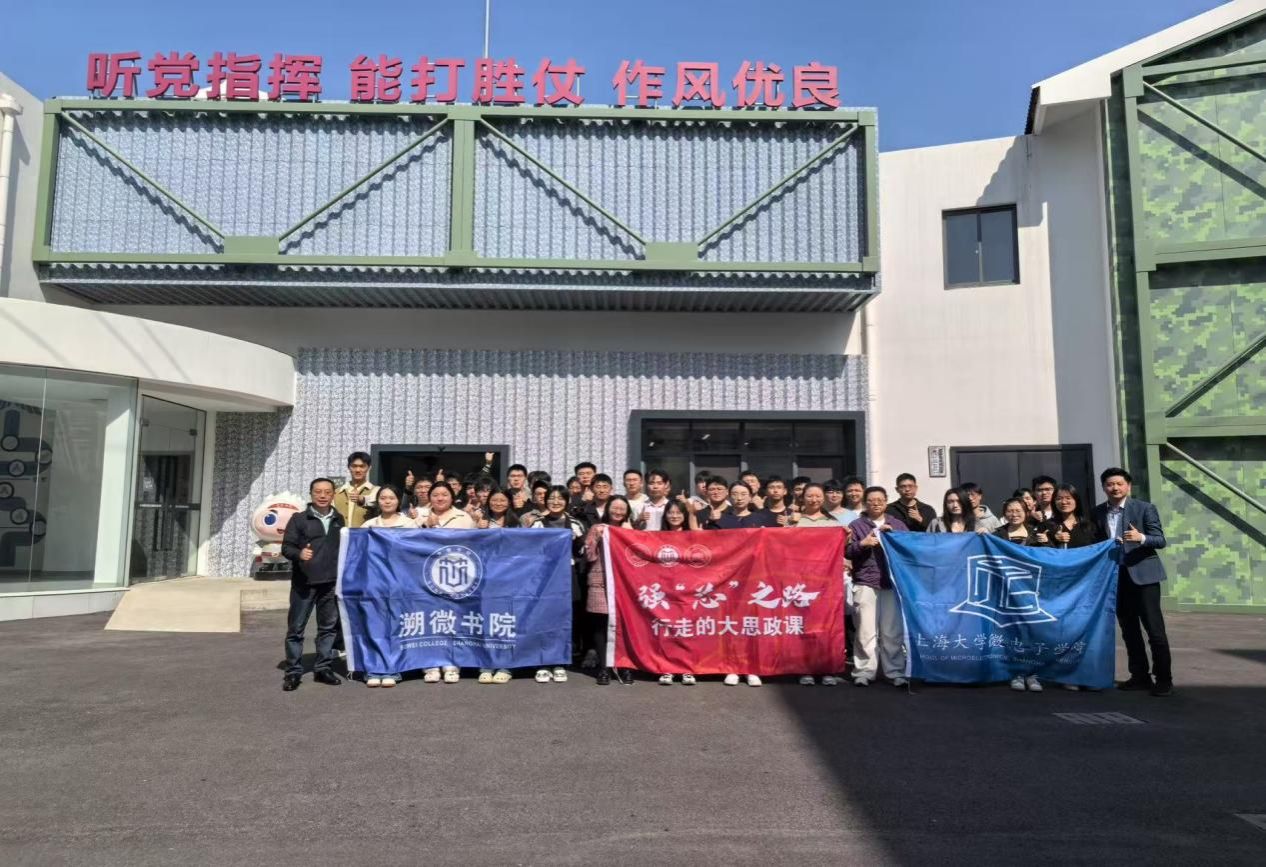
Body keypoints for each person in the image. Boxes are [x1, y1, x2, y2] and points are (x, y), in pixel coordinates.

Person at [1091, 467, 1172, 697]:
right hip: (1116, 578)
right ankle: (1139, 676)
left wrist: (1141, 537)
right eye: (1109, 484)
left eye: (1119, 483)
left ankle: (1164, 679)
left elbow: (1160, 540)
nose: (1114, 488)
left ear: (1128, 486)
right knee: (1129, 630)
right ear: (1103, 487)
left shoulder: (1144, 508)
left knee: (1154, 631)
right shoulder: (1097, 512)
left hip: (1144, 577)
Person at [280, 478, 346, 691]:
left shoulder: (339, 519)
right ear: (311, 494)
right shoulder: (299, 519)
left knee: (327, 629)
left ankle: (323, 668)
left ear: (333, 494)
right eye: (318, 491)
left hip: (330, 584)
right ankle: (293, 672)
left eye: (327, 491)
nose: (323, 495)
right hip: (305, 584)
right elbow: (286, 547)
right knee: (296, 629)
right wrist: (299, 553)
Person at [846, 487, 909, 688]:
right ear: (865, 503)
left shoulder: (897, 524)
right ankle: (864, 671)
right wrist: (863, 543)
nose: (876, 503)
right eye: (872, 500)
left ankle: (895, 671)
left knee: (892, 631)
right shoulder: (856, 525)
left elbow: (909, 548)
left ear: (886, 501)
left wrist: (894, 537)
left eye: (880, 500)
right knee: (865, 630)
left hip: (891, 583)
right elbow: (847, 551)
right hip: (865, 581)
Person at [524, 485, 586, 683]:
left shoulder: (575, 524)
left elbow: (582, 552)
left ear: (567, 501)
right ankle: (542, 661)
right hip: (543, 577)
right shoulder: (537, 524)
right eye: (552, 498)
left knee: (564, 618)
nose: (556, 502)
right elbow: (529, 550)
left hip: (567, 575)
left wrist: (578, 541)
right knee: (542, 617)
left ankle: (559, 661)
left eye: (560, 498)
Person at [417, 482, 475, 684]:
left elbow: (474, 545)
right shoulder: (419, 517)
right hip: (426, 578)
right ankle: (430, 663)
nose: (440, 498)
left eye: (444, 494)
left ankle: (452, 662)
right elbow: (409, 544)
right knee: (430, 619)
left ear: (452, 497)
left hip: (456, 577)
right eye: (435, 495)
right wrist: (426, 526)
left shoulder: (464, 518)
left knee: (454, 618)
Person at [791, 483, 846, 686]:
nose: (814, 500)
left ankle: (827, 669)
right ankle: (804, 669)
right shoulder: (795, 521)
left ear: (823, 498)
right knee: (802, 626)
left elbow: (840, 550)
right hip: (799, 580)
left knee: (827, 625)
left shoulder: (832, 523)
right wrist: (790, 525)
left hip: (826, 583)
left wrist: (846, 537)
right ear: (802, 498)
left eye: (818, 496)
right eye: (810, 496)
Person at [360, 484, 412, 688]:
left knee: (397, 625)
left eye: (391, 498)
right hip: (374, 583)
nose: (387, 501)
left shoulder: (410, 524)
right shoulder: (368, 525)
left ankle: (393, 668)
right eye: (383, 498)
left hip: (401, 583)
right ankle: (374, 668)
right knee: (374, 625)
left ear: (399, 501)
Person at [583, 495, 636, 686]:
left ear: (627, 512)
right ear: (607, 509)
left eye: (622, 509)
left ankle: (624, 666)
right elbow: (588, 556)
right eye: (615, 508)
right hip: (600, 582)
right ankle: (604, 667)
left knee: (625, 626)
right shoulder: (597, 528)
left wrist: (631, 534)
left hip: (625, 584)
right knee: (601, 625)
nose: (618, 512)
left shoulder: (630, 530)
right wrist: (596, 537)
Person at [334, 451, 378, 528]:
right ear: (348, 467)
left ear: (369, 468)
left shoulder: (376, 491)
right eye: (354, 466)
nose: (358, 470)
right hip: (341, 534)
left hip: (364, 534)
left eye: (362, 466)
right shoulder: (337, 492)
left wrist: (362, 500)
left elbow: (377, 504)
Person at [711, 481, 777, 529]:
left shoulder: (761, 519)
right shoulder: (721, 519)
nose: (739, 498)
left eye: (743, 494)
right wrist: (712, 522)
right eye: (735, 494)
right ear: (729, 497)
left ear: (750, 497)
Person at [1047, 484, 1096, 549]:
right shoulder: (1047, 526)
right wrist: (1053, 539)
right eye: (1059, 499)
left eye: (1068, 498)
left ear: (1076, 501)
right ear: (1054, 502)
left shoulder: (1088, 526)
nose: (1064, 502)